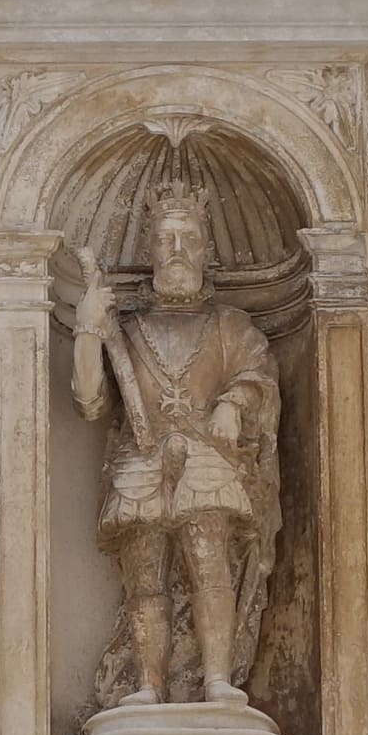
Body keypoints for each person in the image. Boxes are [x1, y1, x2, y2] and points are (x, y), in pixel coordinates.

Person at [72, 179, 281, 707]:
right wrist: (87, 331)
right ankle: (149, 684)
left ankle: (217, 681)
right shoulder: (129, 328)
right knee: (145, 578)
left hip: (206, 457)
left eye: (188, 238)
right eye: (165, 241)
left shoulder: (230, 326)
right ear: (150, 252)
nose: (178, 251)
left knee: (209, 564)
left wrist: (234, 404)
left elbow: (259, 374)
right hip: (141, 459)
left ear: (206, 249)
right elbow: (91, 400)